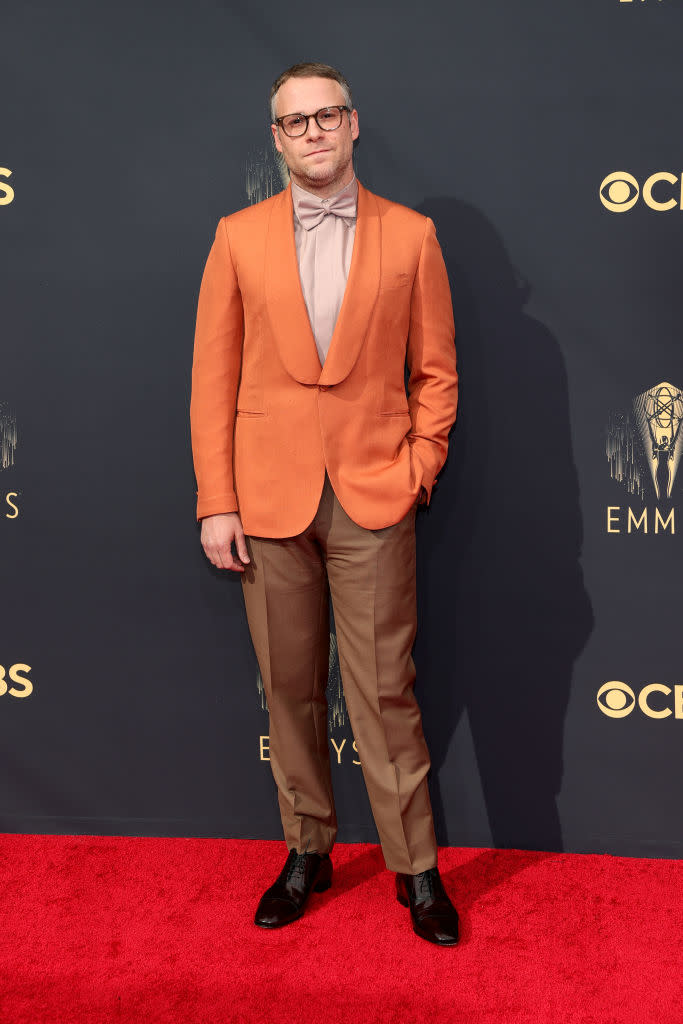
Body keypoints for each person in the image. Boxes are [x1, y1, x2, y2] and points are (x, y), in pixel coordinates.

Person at [190, 62, 459, 946]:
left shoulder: (411, 235)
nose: (311, 133)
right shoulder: (235, 237)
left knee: (384, 691)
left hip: (375, 494)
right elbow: (213, 382)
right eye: (293, 122)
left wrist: (418, 466)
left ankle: (414, 870)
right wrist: (216, 500)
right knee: (288, 691)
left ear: (352, 125)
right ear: (276, 138)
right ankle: (306, 850)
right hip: (265, 503)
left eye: (325, 116)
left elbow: (436, 374)